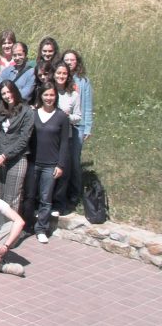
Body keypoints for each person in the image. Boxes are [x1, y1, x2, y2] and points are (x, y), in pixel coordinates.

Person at [24, 83, 70, 244]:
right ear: (41, 96)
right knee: (29, 196)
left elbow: (65, 143)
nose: (49, 98)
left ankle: (41, 228)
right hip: (33, 162)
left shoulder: (62, 117)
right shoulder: (33, 114)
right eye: (46, 95)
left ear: (56, 96)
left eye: (52, 95)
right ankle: (27, 226)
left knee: (45, 198)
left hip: (51, 164)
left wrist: (60, 164)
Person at [0, 80, 34, 213]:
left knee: (11, 198)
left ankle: (11, 225)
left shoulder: (27, 112)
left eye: (9, 91)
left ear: (15, 91)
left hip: (16, 158)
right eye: (4, 93)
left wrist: (5, 155)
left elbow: (24, 139)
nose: (7, 95)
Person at [61, 49, 93, 208]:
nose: (69, 62)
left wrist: (88, 127)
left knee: (74, 160)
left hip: (78, 126)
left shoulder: (83, 81)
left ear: (77, 62)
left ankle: (75, 193)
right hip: (62, 125)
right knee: (63, 160)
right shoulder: (61, 77)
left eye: (72, 60)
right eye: (66, 60)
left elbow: (87, 105)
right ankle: (63, 192)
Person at [51, 62, 82, 214]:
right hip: (48, 138)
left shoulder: (73, 95)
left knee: (63, 171)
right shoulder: (48, 91)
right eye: (58, 73)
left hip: (65, 137)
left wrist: (66, 117)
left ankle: (59, 203)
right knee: (48, 171)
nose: (61, 76)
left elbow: (78, 117)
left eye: (64, 73)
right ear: (53, 74)